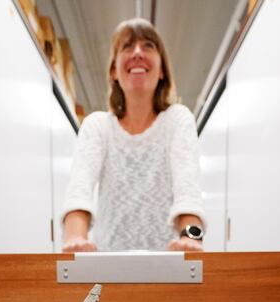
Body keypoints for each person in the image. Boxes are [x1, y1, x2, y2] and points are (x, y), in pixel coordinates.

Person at [61, 18, 205, 252]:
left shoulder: (177, 121)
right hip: (109, 271)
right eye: (127, 46)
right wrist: (74, 239)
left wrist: (191, 238)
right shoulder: (97, 127)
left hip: (168, 270)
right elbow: (79, 191)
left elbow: (187, 192)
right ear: (113, 71)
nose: (137, 52)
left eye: (148, 45)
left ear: (162, 72)